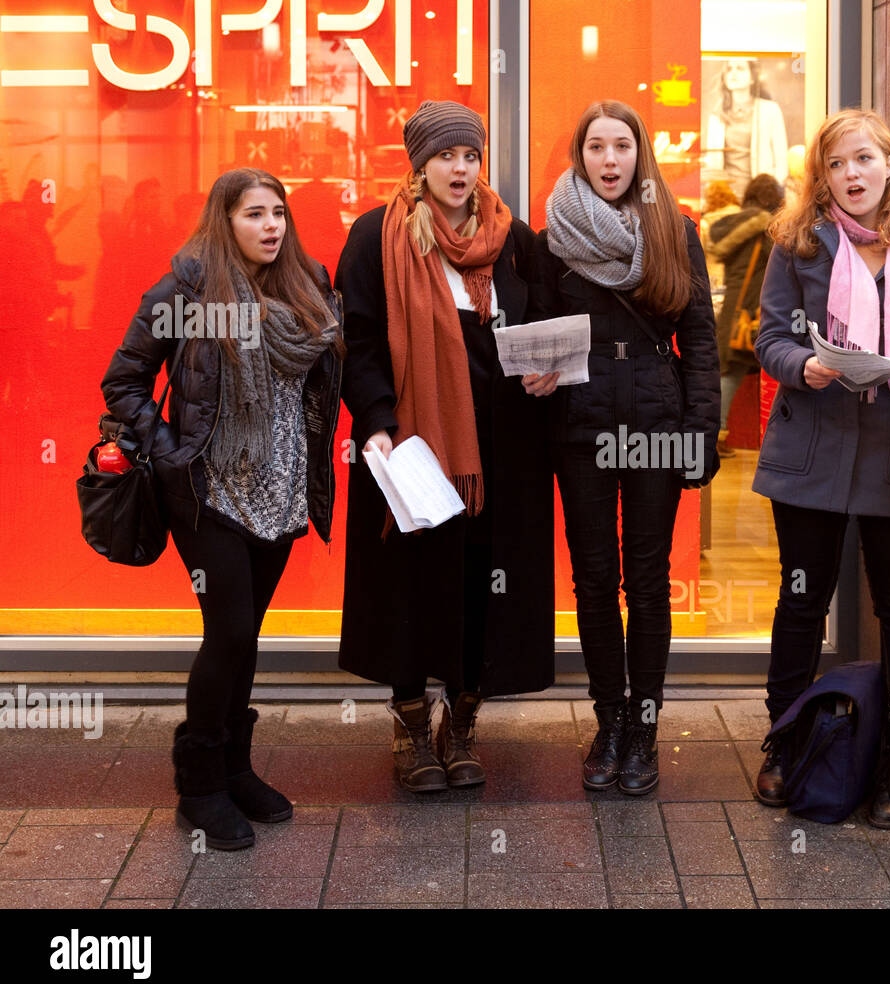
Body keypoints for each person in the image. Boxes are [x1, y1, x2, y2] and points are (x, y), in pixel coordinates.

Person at [101, 168, 344, 850]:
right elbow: (124, 379)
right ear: (224, 220)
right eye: (254, 215)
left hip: (282, 483)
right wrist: (174, 452)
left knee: (248, 633)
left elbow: (324, 378)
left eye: (278, 213)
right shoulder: (188, 284)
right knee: (229, 631)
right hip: (210, 489)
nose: (271, 226)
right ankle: (200, 785)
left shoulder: (309, 282)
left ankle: (236, 768)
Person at [751, 109, 890, 827]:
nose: (849, 175)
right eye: (835, 165)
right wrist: (806, 364)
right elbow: (768, 337)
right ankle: (785, 742)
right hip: (812, 446)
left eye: (862, 160)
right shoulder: (794, 238)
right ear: (821, 176)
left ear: (889, 160)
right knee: (801, 600)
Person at [334, 101, 557, 793]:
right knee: (409, 585)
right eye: (446, 156)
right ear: (420, 163)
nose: (460, 169)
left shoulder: (514, 238)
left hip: (498, 448)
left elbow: (541, 321)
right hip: (409, 442)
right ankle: (408, 729)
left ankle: (461, 724)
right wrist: (375, 420)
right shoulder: (377, 235)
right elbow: (358, 337)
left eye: (470, 155)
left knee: (481, 586)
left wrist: (550, 365)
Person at [534, 100, 721, 795]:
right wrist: (536, 369)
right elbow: (532, 330)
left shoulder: (676, 231)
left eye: (621, 147)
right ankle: (607, 719)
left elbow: (701, 340)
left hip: (656, 428)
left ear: (641, 155)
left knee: (646, 582)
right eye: (595, 148)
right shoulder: (552, 236)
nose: (609, 161)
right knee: (591, 581)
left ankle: (644, 726)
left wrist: (702, 433)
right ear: (578, 156)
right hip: (580, 428)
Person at [708, 172, 783, 457]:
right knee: (732, 371)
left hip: (732, 308)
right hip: (748, 310)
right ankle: (716, 434)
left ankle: (717, 432)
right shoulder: (764, 228)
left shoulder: (737, 223)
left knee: (728, 370)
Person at [704, 59, 789, 199]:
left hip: (761, 195)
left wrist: (772, 190)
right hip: (727, 196)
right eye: (729, 69)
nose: (733, 73)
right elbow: (713, 161)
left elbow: (781, 160)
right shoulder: (717, 115)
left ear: (752, 77)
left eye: (740, 68)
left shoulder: (770, 110)